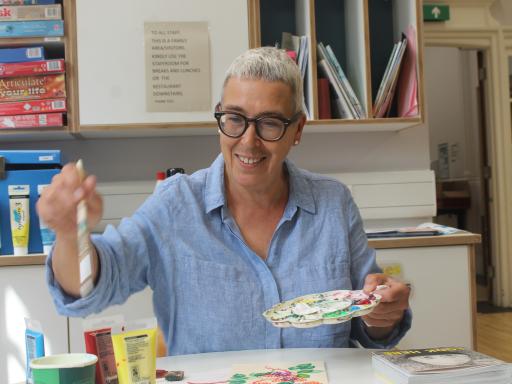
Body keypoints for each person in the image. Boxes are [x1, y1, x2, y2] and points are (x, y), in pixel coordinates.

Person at [38, 47, 411, 355]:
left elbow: (371, 325)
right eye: (234, 119)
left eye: (269, 123)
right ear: (219, 116)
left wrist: (384, 313)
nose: (248, 141)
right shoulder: (176, 205)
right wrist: (71, 235)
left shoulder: (333, 204)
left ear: (297, 130)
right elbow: (89, 289)